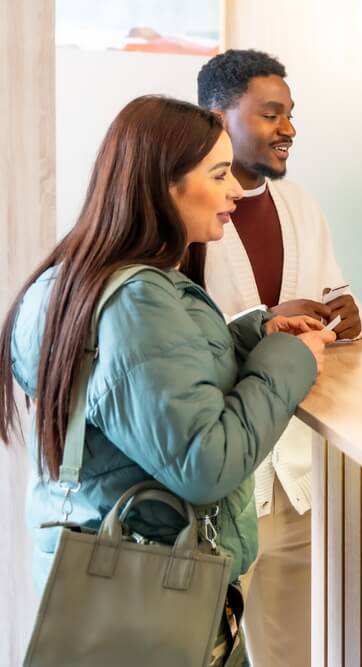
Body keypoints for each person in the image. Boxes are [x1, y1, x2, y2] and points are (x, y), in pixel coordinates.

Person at [0, 95, 336, 665]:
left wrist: (256, 331)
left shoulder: (71, 281)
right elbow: (204, 460)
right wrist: (289, 358)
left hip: (97, 577)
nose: (236, 191)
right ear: (165, 184)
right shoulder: (139, 300)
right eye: (220, 174)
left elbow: (149, 386)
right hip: (161, 588)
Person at [197, 49, 362, 665]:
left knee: (291, 650)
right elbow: (177, 339)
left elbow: (332, 303)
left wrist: (348, 314)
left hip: (296, 473)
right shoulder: (185, 217)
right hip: (218, 483)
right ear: (217, 116)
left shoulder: (300, 206)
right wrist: (266, 324)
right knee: (200, 647)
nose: (289, 129)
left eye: (291, 114)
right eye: (271, 114)